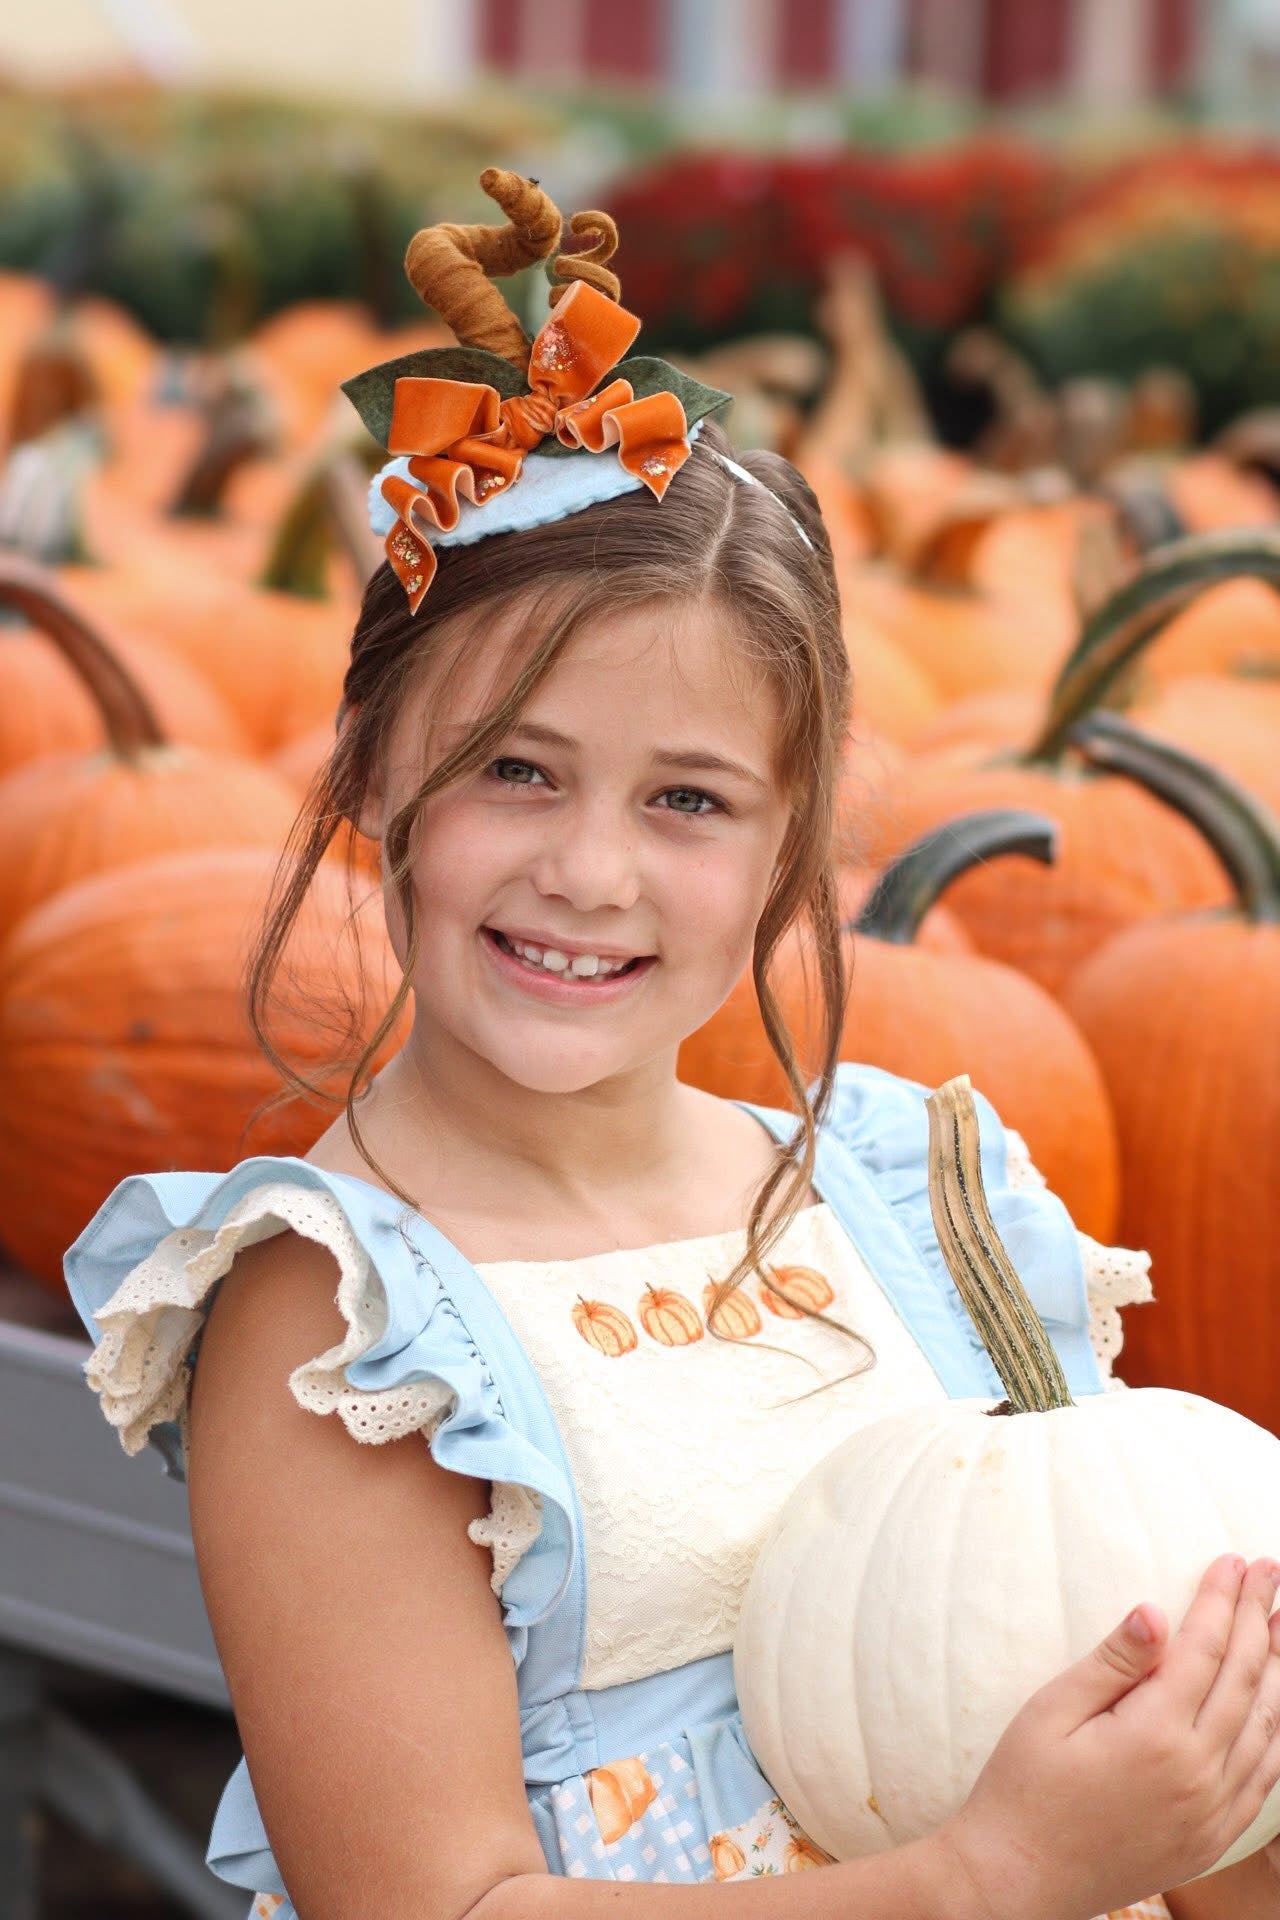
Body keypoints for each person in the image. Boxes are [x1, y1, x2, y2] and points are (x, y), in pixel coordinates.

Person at [64, 171, 1280, 1920]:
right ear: (375, 771)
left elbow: (1120, 1682)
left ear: (794, 847)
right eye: (516, 768)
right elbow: (435, 1904)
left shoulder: (907, 1201)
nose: (591, 871)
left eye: (688, 799)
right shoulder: (350, 1326)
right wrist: (992, 1875)